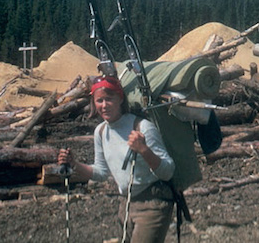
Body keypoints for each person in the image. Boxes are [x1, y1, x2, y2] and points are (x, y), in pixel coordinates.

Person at [58, 76, 175, 243]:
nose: (104, 105)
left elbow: (168, 171)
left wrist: (144, 150)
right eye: (99, 101)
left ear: (120, 98)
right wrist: (73, 164)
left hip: (153, 203)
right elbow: (101, 172)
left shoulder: (143, 127)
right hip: (126, 203)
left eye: (109, 99)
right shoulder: (100, 132)